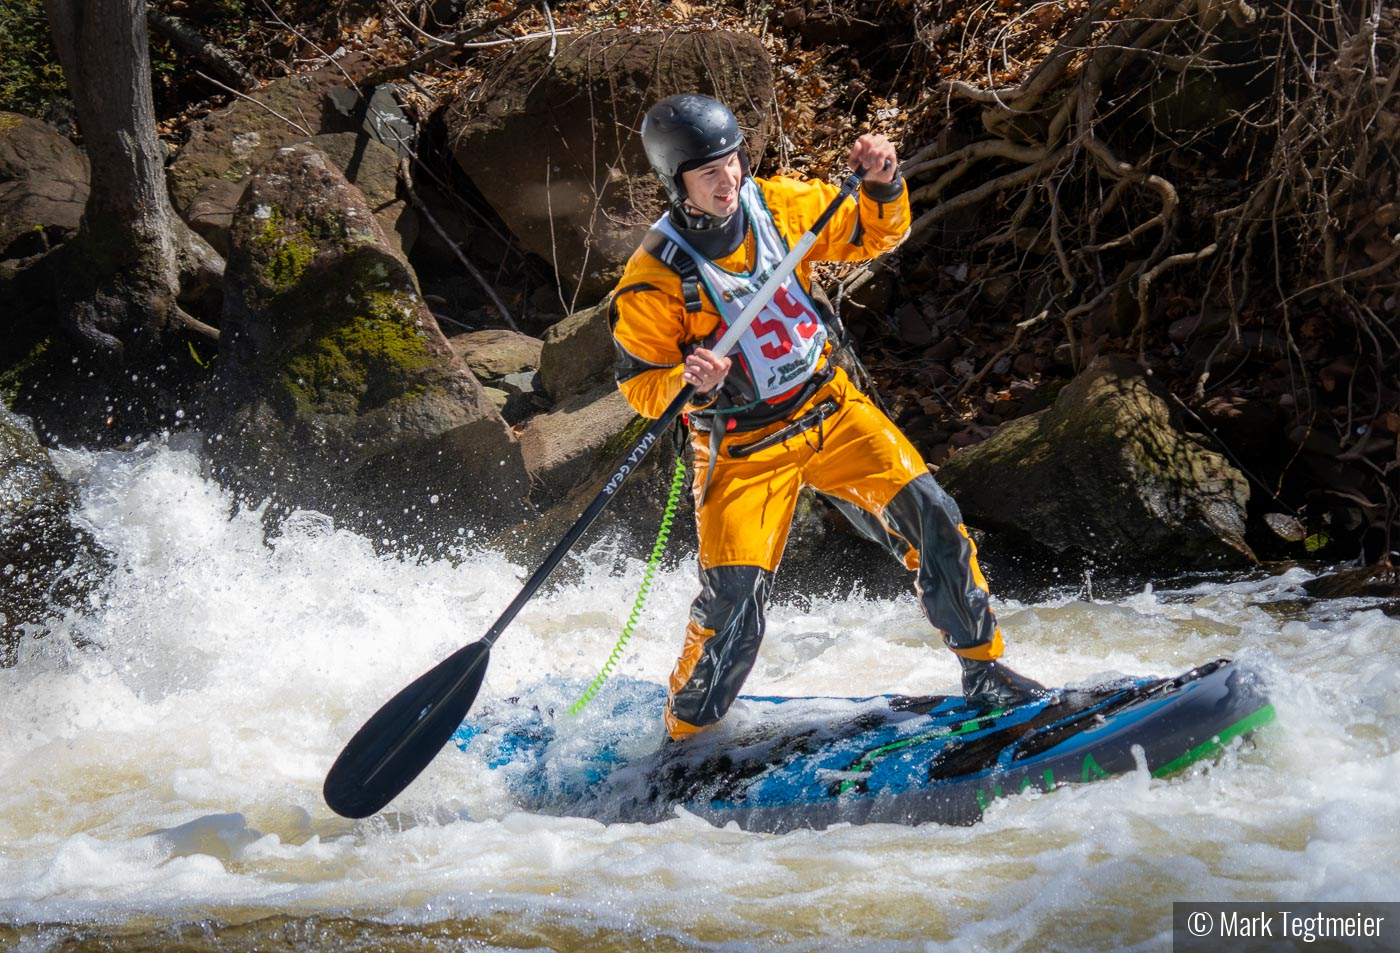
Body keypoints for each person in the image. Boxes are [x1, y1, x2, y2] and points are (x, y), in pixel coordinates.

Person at [611, 93, 1044, 741]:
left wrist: (883, 182)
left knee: (932, 516)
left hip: (829, 408)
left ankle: (984, 670)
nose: (727, 179)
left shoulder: (782, 206)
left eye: (731, 163)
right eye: (708, 172)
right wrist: (685, 380)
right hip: (741, 447)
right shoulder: (653, 277)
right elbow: (643, 388)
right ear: (678, 185)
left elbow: (878, 232)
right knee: (734, 607)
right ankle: (684, 739)